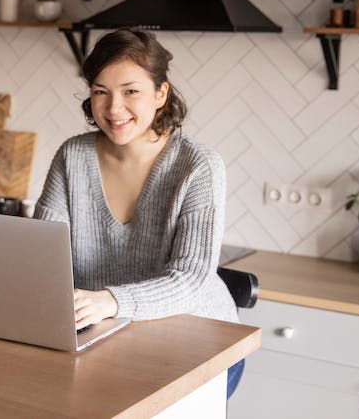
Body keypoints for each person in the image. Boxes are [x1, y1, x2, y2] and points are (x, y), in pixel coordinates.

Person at [34, 28, 244, 395]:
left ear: (160, 94)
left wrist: (111, 301)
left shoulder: (198, 166)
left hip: (198, 343)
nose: (114, 108)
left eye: (130, 91)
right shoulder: (73, 156)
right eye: (101, 92)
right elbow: (41, 254)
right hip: (103, 335)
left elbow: (190, 280)